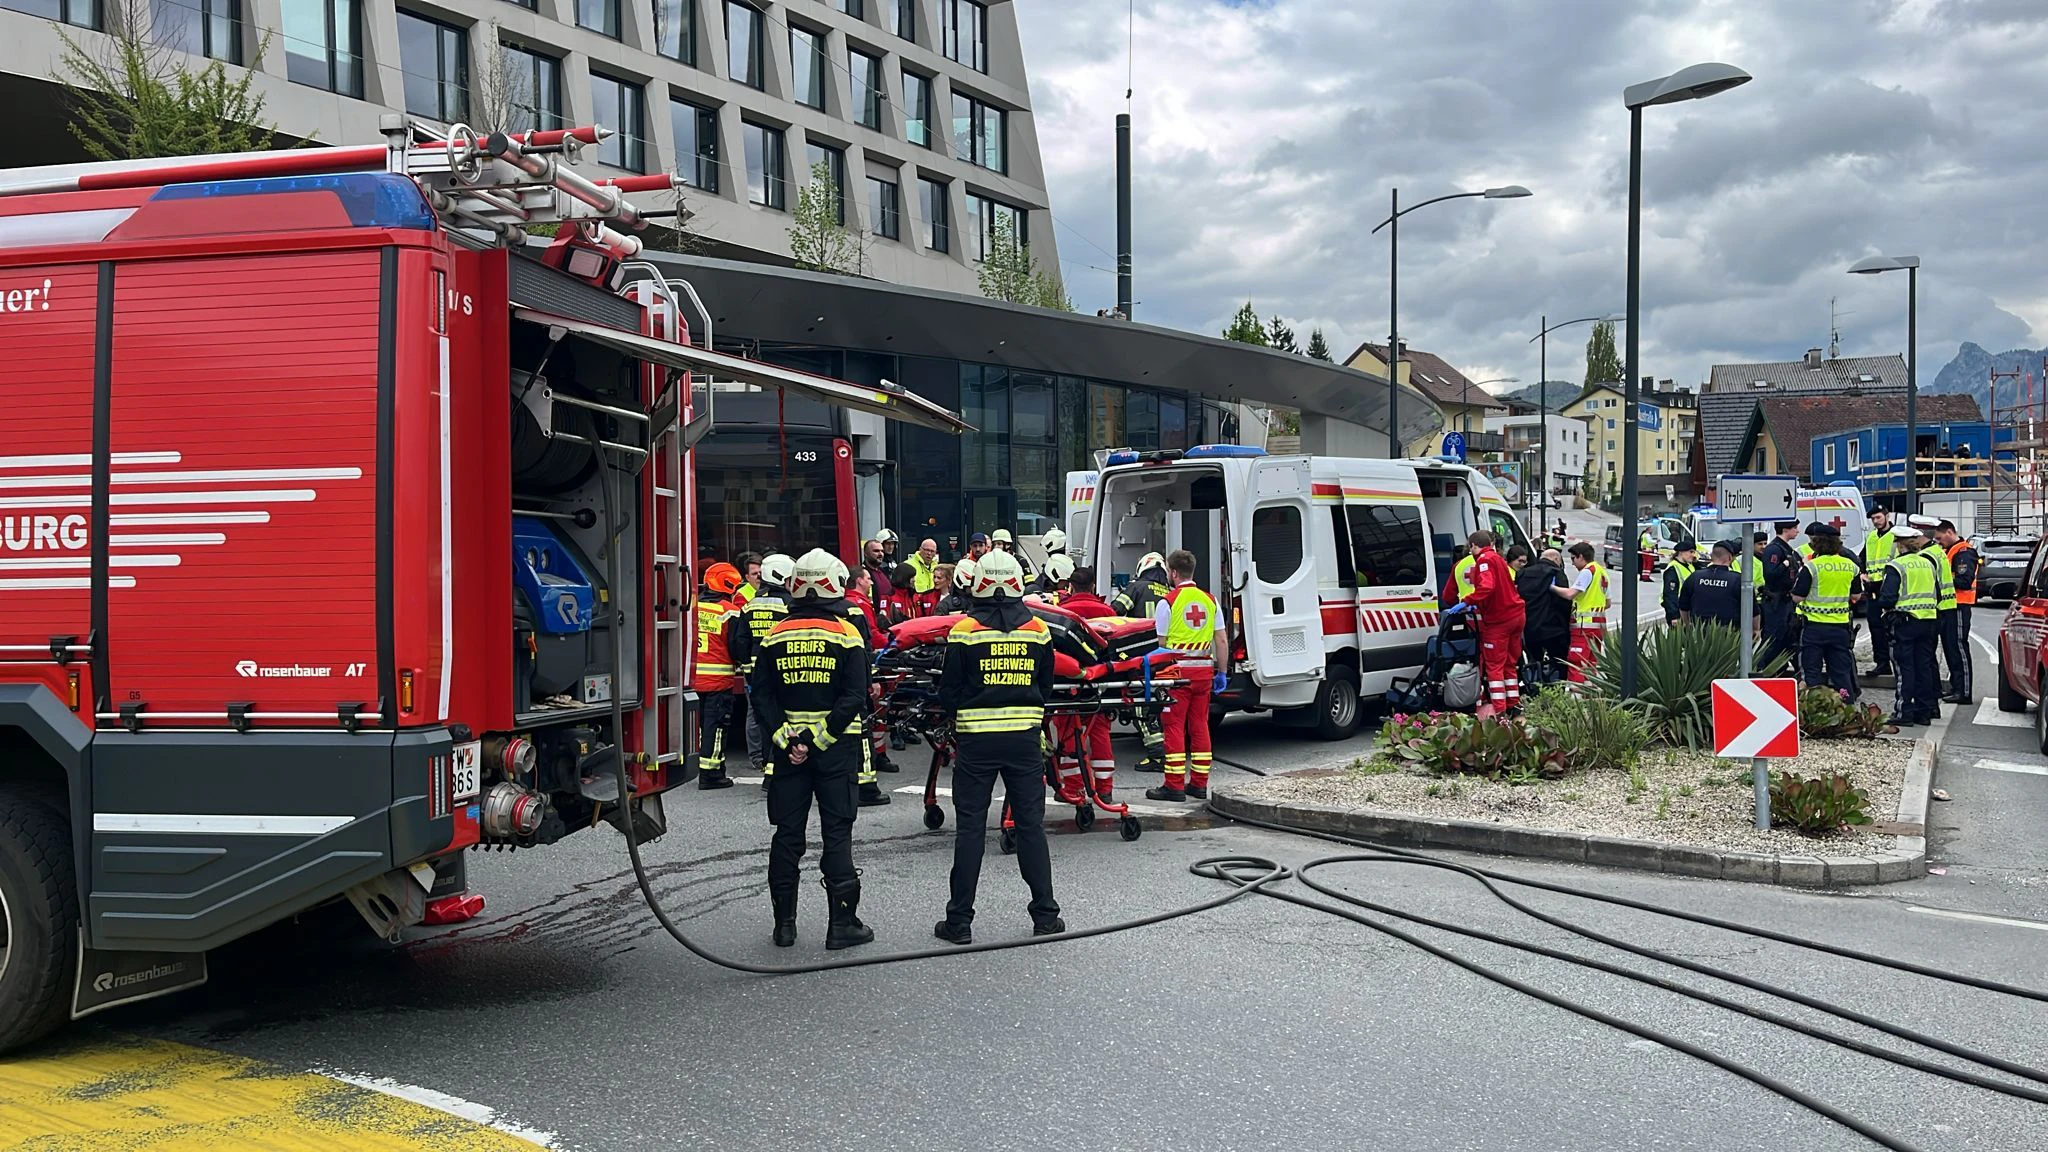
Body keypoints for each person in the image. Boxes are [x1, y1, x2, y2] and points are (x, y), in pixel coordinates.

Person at [934, 550, 1062, 944]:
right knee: (1030, 828)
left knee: (970, 830)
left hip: (976, 745)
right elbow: (1046, 687)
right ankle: (1045, 916)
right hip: (1024, 742)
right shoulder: (1038, 629)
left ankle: (959, 923)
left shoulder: (964, 630)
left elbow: (949, 691)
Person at [750, 549, 873, 950]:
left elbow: (762, 695)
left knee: (787, 835)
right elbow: (854, 696)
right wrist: (819, 738)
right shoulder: (847, 633)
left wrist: (788, 739)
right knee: (837, 832)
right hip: (835, 748)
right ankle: (842, 925)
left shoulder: (775, 634)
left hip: (789, 752)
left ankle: (783, 926)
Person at [1146, 549, 1229, 803]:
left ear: (1172, 573)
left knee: (1173, 727)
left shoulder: (1168, 602)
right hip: (1204, 672)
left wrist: (1155, 677)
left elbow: (1161, 646)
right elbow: (1222, 640)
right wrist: (1222, 672)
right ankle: (1199, 784)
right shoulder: (1210, 600)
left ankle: (1174, 785)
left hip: (1177, 674)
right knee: (1200, 725)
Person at [729, 552, 793, 787]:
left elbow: (739, 643)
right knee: (785, 720)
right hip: (783, 672)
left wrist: (747, 669)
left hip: (756, 675)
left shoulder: (749, 606)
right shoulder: (789, 605)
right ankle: (782, 772)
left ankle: (769, 772)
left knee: (764, 721)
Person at [1110, 550, 1175, 772]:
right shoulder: (1170, 592)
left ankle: (1157, 755)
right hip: (1166, 658)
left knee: (1140, 703)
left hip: (1139, 656)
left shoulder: (1136, 587)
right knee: (1162, 702)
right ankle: (1168, 749)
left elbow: (1114, 612)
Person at [1455, 530, 1525, 716]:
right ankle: (1513, 703)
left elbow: (1487, 587)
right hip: (1516, 616)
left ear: (1473, 546)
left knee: (1494, 666)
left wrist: (1467, 601)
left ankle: (1499, 711)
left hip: (1499, 620)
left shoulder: (1484, 560)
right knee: (1510, 663)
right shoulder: (1499, 559)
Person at [842, 564, 896, 806]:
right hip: (864, 669)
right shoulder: (858, 606)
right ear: (858, 581)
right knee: (868, 721)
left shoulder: (842, 605)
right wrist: (895, 642)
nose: (871, 582)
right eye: (867, 579)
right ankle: (867, 786)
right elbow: (869, 639)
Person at [1876, 524, 1940, 726]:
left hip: (1905, 623)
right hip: (1928, 621)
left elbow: (1887, 598)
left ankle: (1904, 711)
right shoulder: (1928, 563)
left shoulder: (1896, 566)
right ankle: (1924, 712)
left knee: (1905, 668)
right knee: (1924, 667)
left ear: (1900, 545)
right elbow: (1936, 592)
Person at [692, 562, 747, 790]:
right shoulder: (730, 610)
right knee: (716, 727)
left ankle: (707, 768)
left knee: (701, 726)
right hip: (718, 679)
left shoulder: (693, 607)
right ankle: (711, 774)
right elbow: (737, 645)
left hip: (693, 679)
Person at [1792, 523, 1862, 698]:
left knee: (1812, 672)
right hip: (1840, 627)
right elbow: (1856, 595)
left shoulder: (1812, 567)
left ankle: (1814, 709)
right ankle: (1847, 707)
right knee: (1841, 672)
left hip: (1814, 628)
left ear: (1816, 544)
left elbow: (1798, 597)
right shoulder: (1850, 566)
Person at [1516, 546, 1575, 686]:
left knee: (1534, 662)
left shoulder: (1523, 574)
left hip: (1530, 628)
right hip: (1554, 629)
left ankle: (1534, 689)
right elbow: (1564, 602)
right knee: (1559, 663)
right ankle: (1556, 691)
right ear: (1555, 559)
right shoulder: (1556, 573)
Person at [1935, 520, 1978, 703]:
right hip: (1949, 606)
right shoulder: (1950, 551)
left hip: (1960, 606)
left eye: (1940, 537)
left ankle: (1964, 692)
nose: (1938, 542)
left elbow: (1964, 581)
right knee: (1950, 649)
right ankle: (1955, 687)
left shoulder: (1964, 552)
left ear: (1950, 532)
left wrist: (1941, 581)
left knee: (1959, 648)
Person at [1760, 520, 1804, 666]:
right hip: (1775, 602)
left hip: (1786, 601)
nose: (1797, 531)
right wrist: (1785, 564)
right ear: (1786, 529)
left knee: (1788, 637)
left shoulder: (1787, 549)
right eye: (1795, 528)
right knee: (1773, 639)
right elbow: (1770, 573)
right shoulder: (1774, 549)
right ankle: (1766, 671)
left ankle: (1781, 668)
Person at [1862, 508, 1898, 677]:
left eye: (1878, 517)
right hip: (1872, 591)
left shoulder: (1896, 536)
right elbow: (1862, 560)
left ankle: (1896, 664)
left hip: (1890, 590)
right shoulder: (1871, 537)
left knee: (1891, 631)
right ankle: (1882, 663)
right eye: (1873, 519)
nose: (1876, 521)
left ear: (1887, 516)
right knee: (1876, 629)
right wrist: (1862, 574)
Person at [1565, 542, 1607, 681]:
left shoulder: (1587, 571)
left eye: (1573, 558)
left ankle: (1576, 700)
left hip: (1584, 625)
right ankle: (1588, 699)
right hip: (1598, 625)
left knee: (1577, 663)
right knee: (1590, 664)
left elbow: (1570, 594)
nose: (1572, 563)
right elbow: (1608, 603)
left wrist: (1552, 588)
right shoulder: (1601, 572)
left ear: (1581, 557)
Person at [1679, 541, 1746, 629]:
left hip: (1700, 630)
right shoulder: (1737, 579)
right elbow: (1752, 610)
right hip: (1730, 633)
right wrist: (1755, 629)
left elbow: (1683, 605)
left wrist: (1687, 624)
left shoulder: (1695, 576)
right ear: (1730, 557)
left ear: (1711, 556)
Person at [1661, 539, 1699, 626]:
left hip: (1687, 610)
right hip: (1678, 612)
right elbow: (1670, 594)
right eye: (1691, 552)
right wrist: (1674, 616)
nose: (1693, 555)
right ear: (1681, 552)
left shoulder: (1690, 566)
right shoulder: (1673, 569)